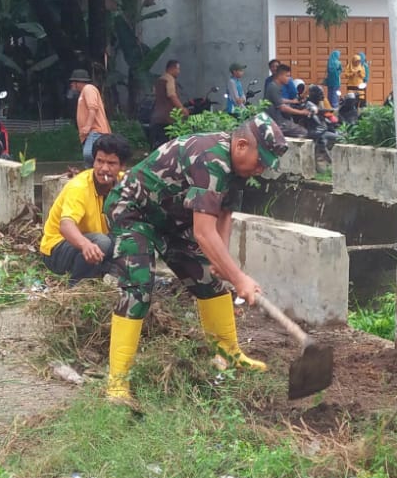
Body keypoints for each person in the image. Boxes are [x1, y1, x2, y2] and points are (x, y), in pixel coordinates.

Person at [102, 112, 289, 409]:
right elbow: (203, 233)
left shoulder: (238, 171)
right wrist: (239, 277)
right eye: (260, 161)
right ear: (241, 145)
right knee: (138, 288)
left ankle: (229, 354)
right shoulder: (211, 159)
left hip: (172, 221)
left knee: (210, 281)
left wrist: (222, 262)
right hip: (133, 211)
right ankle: (117, 384)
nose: (261, 169)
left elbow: (224, 213)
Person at [41, 133, 132, 284]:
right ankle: (78, 286)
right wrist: (85, 245)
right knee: (101, 242)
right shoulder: (80, 187)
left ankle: (109, 274)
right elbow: (66, 225)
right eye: (99, 161)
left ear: (122, 166)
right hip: (57, 250)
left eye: (111, 163)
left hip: (96, 244)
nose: (104, 169)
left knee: (133, 235)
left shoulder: (125, 182)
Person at [68, 68, 111, 165]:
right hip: (90, 133)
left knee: (89, 155)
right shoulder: (84, 92)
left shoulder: (88, 89)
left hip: (95, 131)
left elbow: (93, 108)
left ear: (78, 82)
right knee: (90, 159)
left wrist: (88, 126)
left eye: (73, 82)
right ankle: (93, 177)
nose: (71, 84)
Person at [268, 64, 308, 138]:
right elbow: (282, 107)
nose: (289, 79)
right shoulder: (273, 87)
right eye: (287, 76)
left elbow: (280, 100)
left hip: (279, 119)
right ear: (280, 76)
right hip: (278, 122)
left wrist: (292, 101)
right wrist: (302, 112)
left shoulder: (276, 86)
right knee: (305, 132)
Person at [149, 59, 183, 147]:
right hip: (167, 118)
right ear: (172, 68)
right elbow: (172, 96)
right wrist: (182, 109)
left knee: (158, 144)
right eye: (178, 69)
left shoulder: (159, 80)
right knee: (168, 144)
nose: (179, 72)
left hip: (157, 117)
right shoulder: (170, 79)